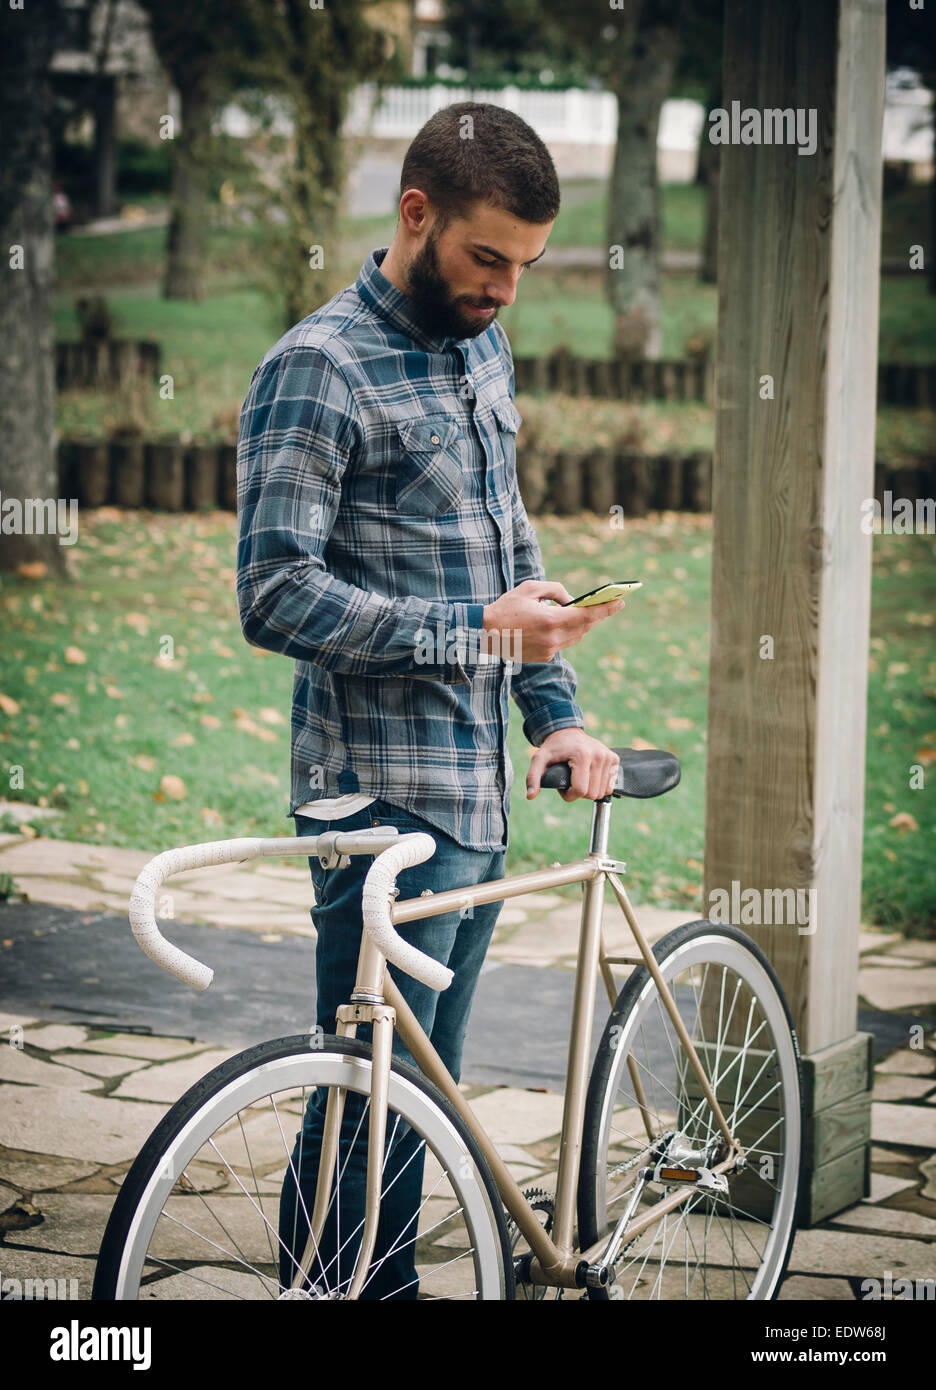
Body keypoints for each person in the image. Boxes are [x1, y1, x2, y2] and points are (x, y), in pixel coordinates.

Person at [235, 101, 623, 1299]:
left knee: (423, 1101)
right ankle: (345, 1288)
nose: (506, 288)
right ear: (417, 215)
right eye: (487, 257)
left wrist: (551, 706)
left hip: (478, 792)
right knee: (365, 1094)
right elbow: (274, 593)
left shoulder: (481, 346)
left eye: (526, 265)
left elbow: (511, 551)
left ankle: (362, 1283)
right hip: (374, 793)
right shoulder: (318, 368)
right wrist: (474, 638)